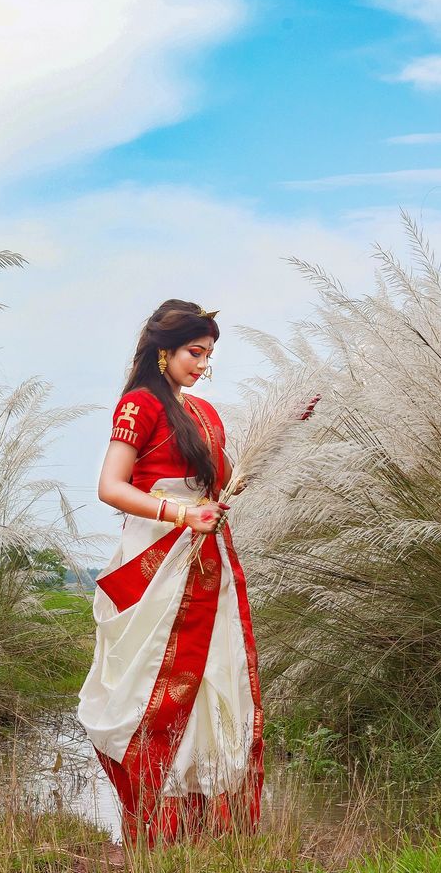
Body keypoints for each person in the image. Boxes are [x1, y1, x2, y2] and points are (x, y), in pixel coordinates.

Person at [77, 299, 264, 848]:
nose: (202, 364)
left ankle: (206, 827)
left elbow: (214, 484)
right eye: (194, 352)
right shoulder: (139, 405)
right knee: (145, 687)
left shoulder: (205, 413)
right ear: (164, 351)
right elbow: (111, 486)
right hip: (156, 556)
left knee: (215, 681)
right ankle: (155, 823)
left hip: (209, 557)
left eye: (209, 355)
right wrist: (182, 513)